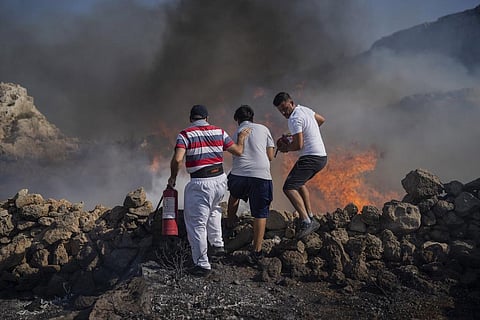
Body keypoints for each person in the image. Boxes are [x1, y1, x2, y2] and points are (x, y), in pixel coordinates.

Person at [168, 104, 251, 277]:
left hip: (200, 182)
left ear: (191, 119)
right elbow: (238, 151)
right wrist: (241, 138)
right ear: (206, 118)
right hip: (220, 180)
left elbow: (177, 160)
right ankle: (218, 245)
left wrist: (173, 177)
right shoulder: (219, 131)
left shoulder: (185, 134)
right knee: (214, 210)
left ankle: (202, 264)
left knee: (196, 223)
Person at [273, 92, 328, 239]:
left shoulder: (294, 119)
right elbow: (321, 120)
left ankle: (305, 221)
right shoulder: (305, 110)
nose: (284, 112)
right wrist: (308, 132)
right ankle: (310, 215)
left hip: (310, 157)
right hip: (321, 156)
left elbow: (299, 145)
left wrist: (286, 148)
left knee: (289, 187)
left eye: (285, 108)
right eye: (281, 110)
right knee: (299, 183)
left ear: (291, 102)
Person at [226, 105, 275, 265]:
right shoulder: (264, 129)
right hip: (261, 176)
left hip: (239, 175)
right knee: (260, 213)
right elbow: (270, 157)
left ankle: (230, 224)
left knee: (234, 195)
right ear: (252, 117)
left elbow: (234, 151)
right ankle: (257, 251)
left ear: (237, 120)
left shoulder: (235, 133)